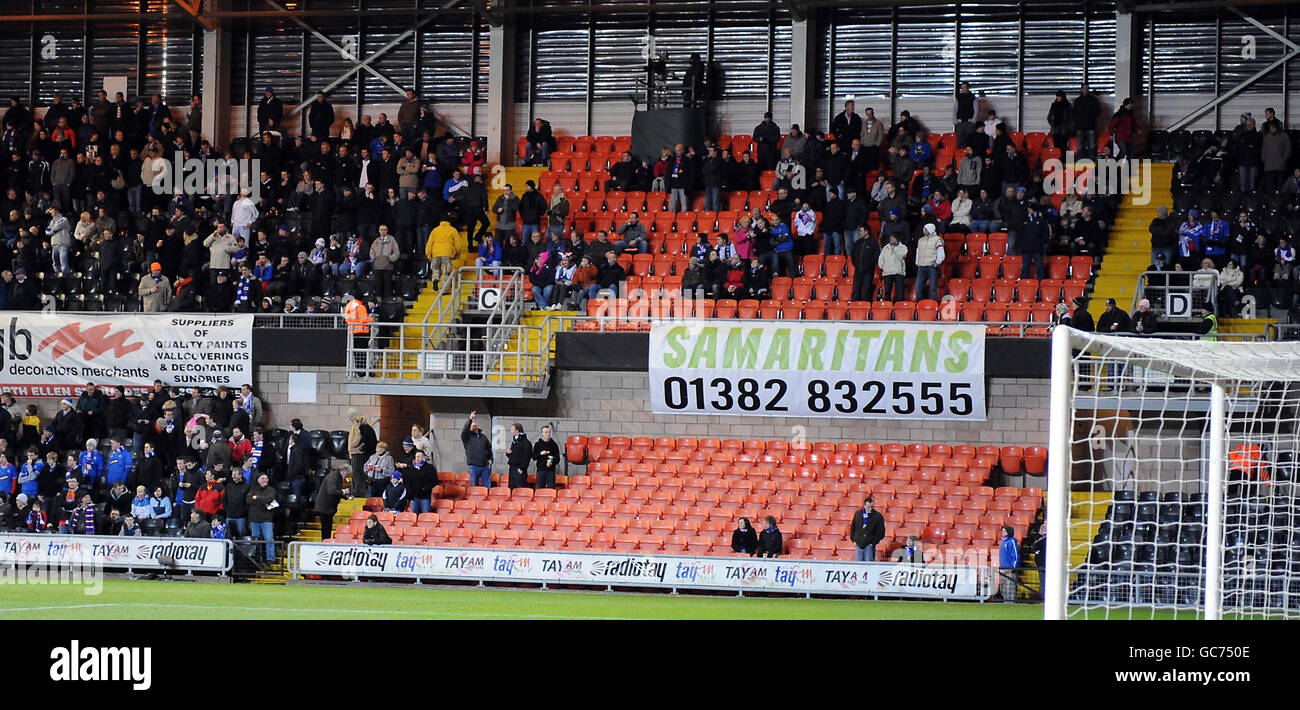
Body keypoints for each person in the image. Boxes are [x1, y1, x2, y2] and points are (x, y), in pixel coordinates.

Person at [313, 466, 348, 541]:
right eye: (347, 474)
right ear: (344, 471)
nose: (346, 477)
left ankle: (326, 541)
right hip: (325, 507)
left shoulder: (336, 477)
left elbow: (336, 491)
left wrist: (345, 497)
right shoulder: (333, 477)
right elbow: (331, 491)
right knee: (326, 527)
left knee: (327, 527)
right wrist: (344, 492)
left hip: (328, 507)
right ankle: (325, 542)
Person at [848, 497, 886, 562]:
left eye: (872, 507)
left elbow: (881, 531)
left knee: (869, 564)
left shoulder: (878, 516)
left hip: (870, 544)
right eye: (869, 507)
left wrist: (873, 542)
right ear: (864, 505)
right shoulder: (858, 514)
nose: (870, 509)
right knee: (858, 564)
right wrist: (853, 539)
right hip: (858, 543)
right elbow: (853, 527)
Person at [462, 411, 493, 488]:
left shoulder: (483, 437)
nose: (474, 425)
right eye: (472, 425)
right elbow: (464, 430)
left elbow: (489, 449)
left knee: (487, 487)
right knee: (474, 487)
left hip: (485, 466)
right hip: (473, 466)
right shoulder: (467, 437)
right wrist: (470, 419)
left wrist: (490, 459)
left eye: (475, 424)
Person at [879, 232, 908, 302]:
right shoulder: (886, 248)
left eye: (893, 238)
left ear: (897, 239)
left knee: (900, 292)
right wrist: (884, 267)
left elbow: (902, 256)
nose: (891, 239)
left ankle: (900, 307)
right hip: (887, 272)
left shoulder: (903, 247)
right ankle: (887, 307)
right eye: (890, 238)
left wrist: (894, 249)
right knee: (887, 292)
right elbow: (881, 259)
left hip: (898, 272)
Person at [531, 425, 560, 490]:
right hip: (540, 470)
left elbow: (557, 458)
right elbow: (534, 457)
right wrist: (540, 454)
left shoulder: (554, 444)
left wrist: (551, 462)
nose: (548, 434)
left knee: (551, 488)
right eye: (546, 432)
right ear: (542, 433)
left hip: (551, 471)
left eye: (549, 432)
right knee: (539, 488)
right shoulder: (538, 444)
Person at [999, 525, 1021, 603]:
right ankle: (1006, 603)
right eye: (1002, 531)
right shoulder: (1003, 542)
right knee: (1003, 589)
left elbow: (1015, 555)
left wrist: (1014, 567)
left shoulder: (1012, 542)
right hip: (1003, 569)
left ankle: (1011, 604)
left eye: (1004, 531)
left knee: (1010, 589)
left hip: (1009, 570)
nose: (1003, 532)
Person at [506, 423, 532, 490]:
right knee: (511, 486)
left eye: (512, 429)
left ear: (517, 431)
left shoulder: (526, 443)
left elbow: (527, 457)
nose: (511, 431)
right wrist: (508, 453)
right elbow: (515, 454)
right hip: (512, 467)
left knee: (519, 487)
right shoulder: (514, 441)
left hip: (519, 469)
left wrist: (522, 468)